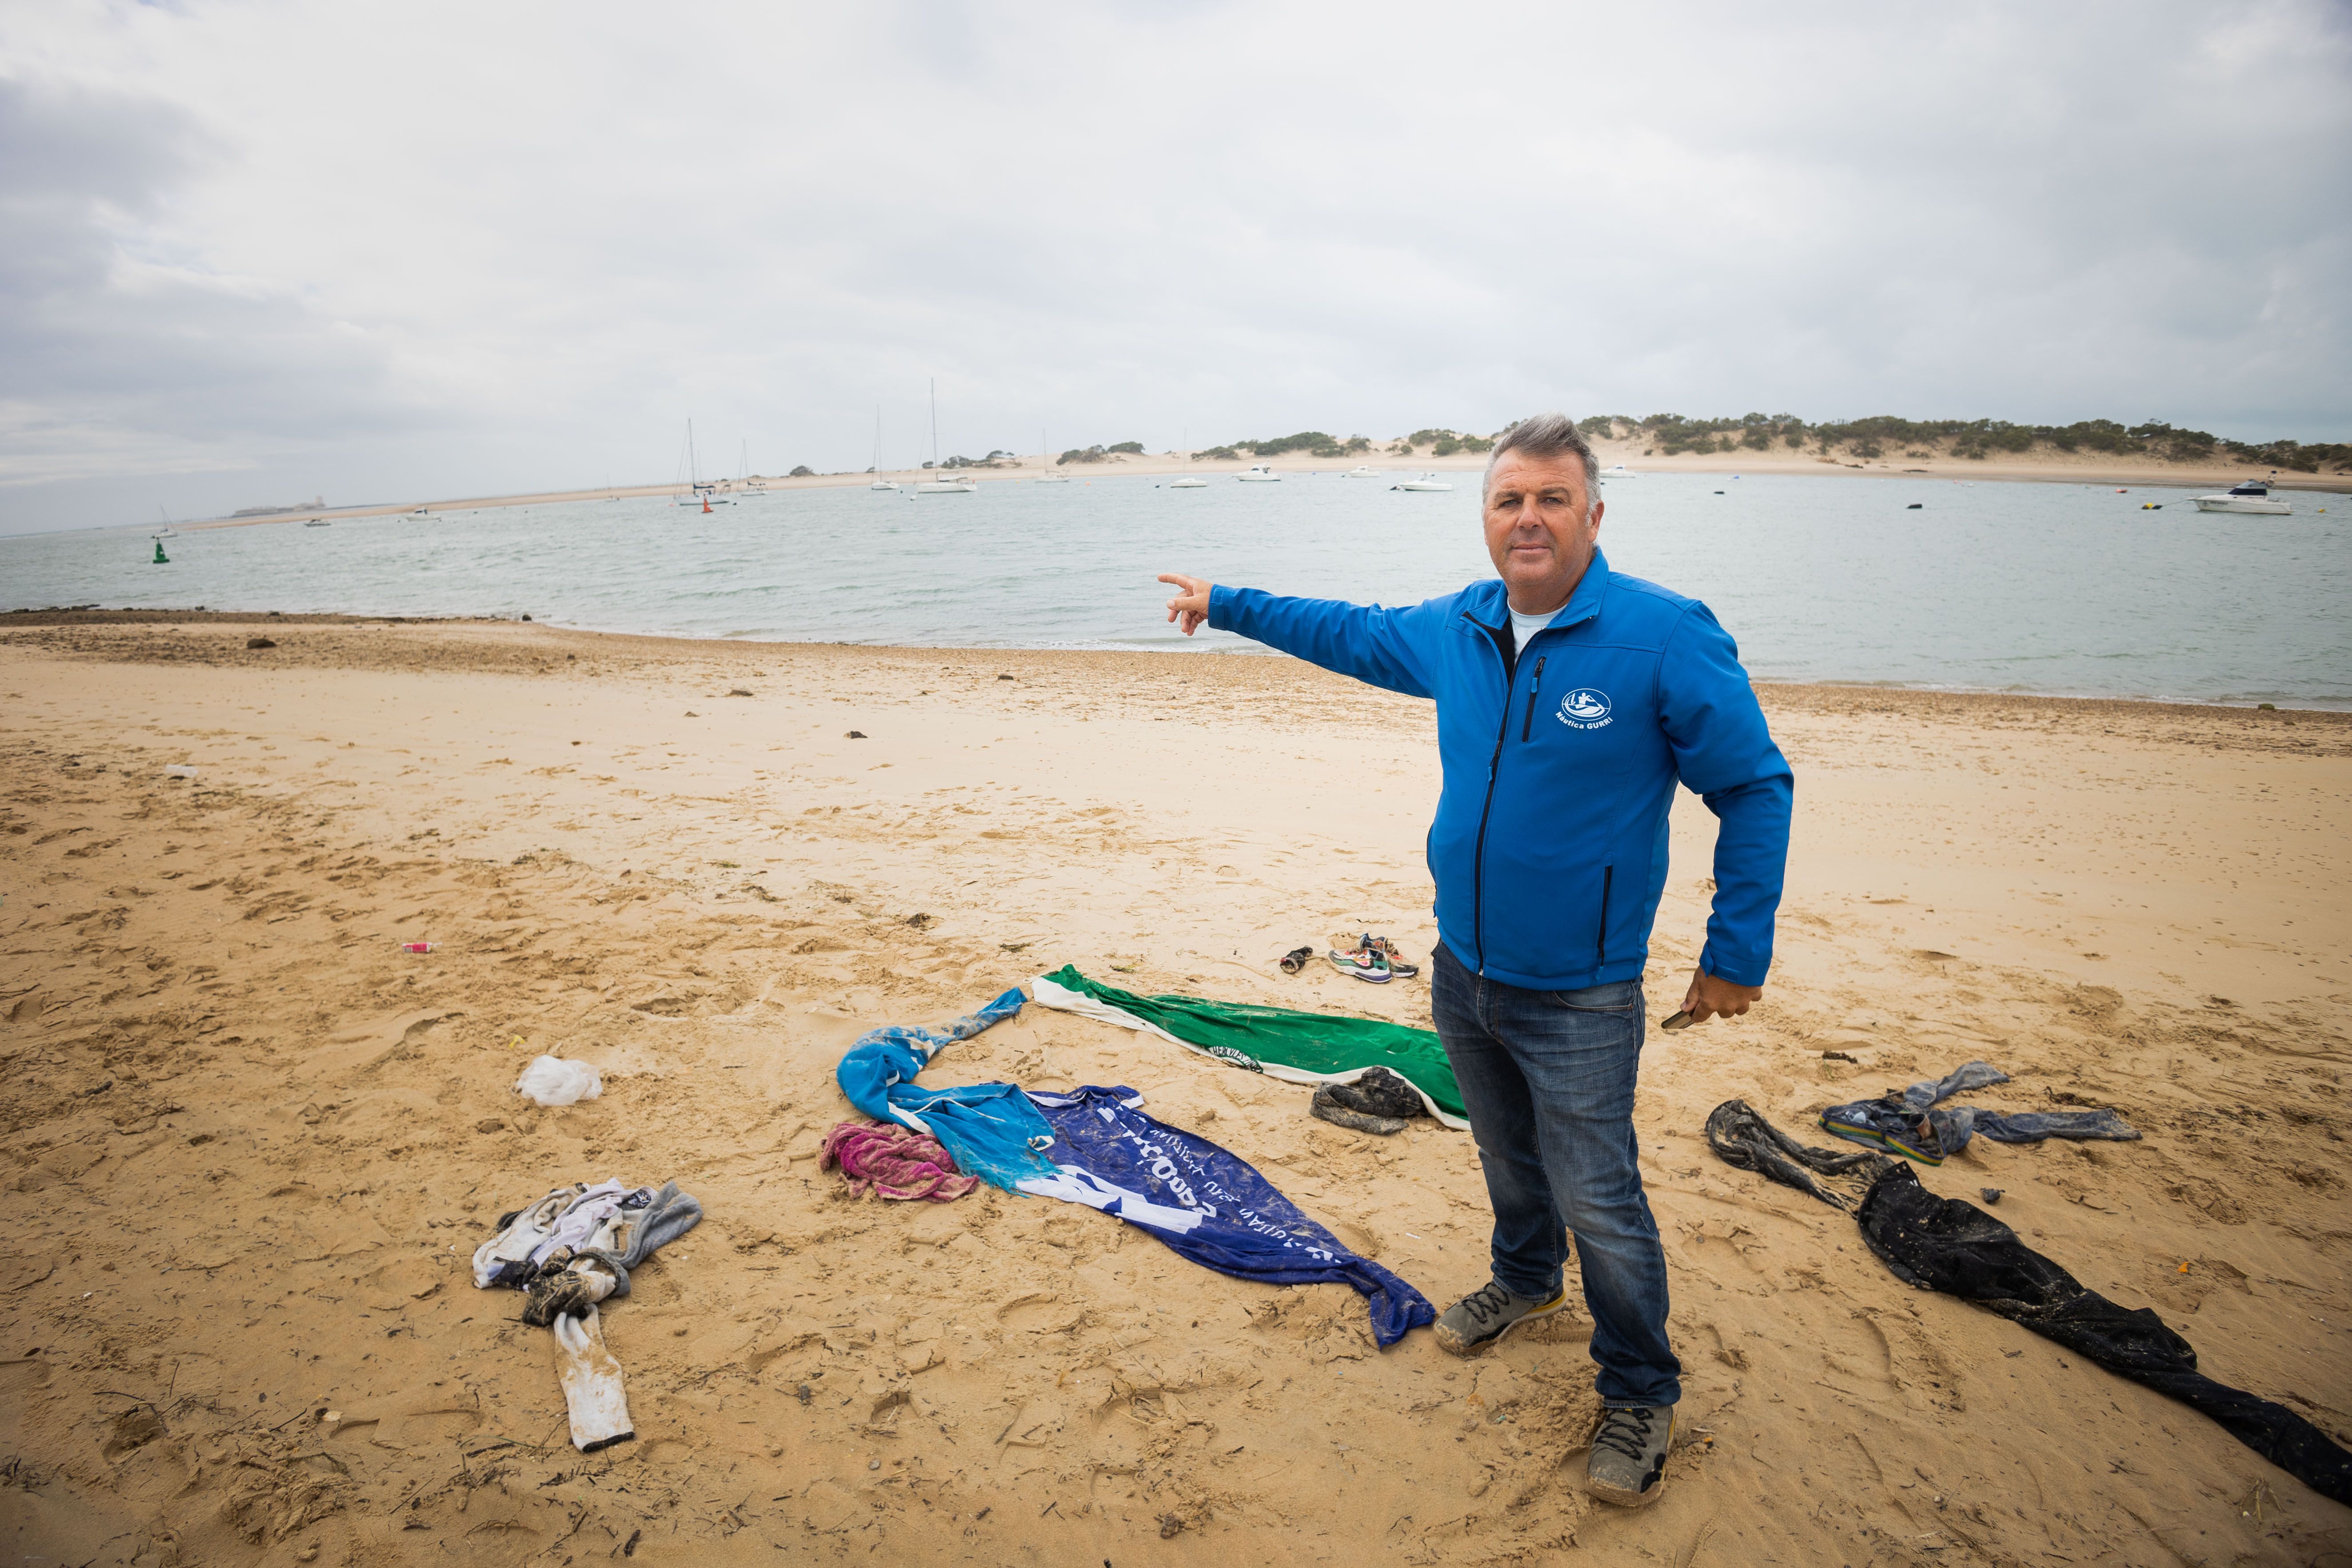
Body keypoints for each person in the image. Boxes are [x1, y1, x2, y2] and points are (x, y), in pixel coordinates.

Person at [1158, 412, 1792, 1508]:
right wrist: (1228, 604)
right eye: (1509, 501)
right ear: (1487, 521)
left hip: (1583, 991)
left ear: (1593, 516)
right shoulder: (1458, 626)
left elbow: (1754, 787)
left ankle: (1639, 1383)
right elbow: (1347, 630)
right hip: (1463, 967)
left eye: (1552, 499)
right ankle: (1523, 1282)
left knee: (1601, 1196)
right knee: (1506, 1159)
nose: (1529, 518)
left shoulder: (1663, 636)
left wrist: (1735, 951)